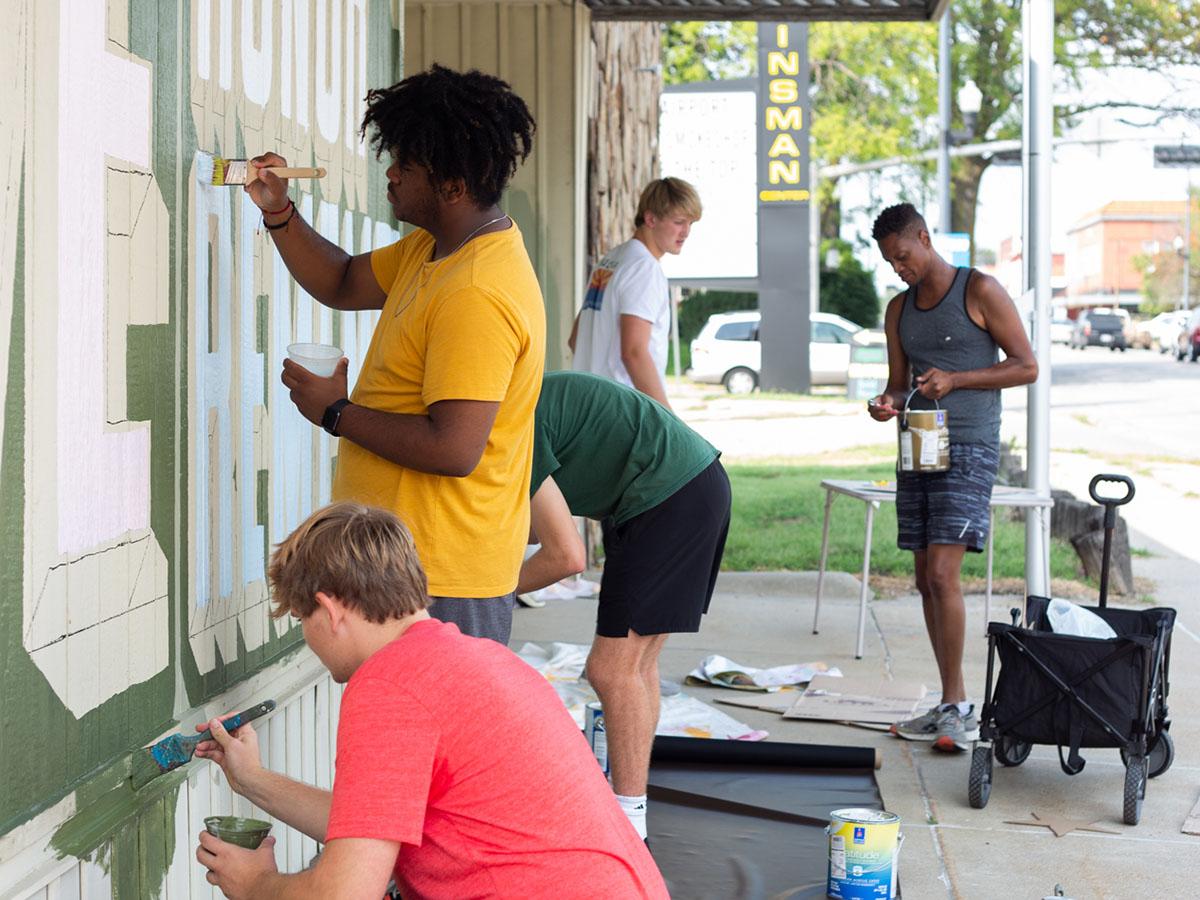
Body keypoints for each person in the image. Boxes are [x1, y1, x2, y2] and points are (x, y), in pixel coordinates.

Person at [193, 503, 668, 900]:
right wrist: (252, 780)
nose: (308, 637)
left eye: (303, 617)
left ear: (331, 609)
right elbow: (373, 824)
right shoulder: (474, 660)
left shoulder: (390, 686)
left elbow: (343, 893)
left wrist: (258, 884)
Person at [248, 65, 544, 645]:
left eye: (407, 163)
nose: (392, 172)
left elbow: (455, 448)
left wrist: (336, 413)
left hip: (443, 576)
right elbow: (340, 281)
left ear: (455, 185)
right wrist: (278, 210)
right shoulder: (436, 250)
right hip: (408, 567)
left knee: (436, 735)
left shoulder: (476, 291)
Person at [516, 370, 731, 840]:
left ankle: (628, 823)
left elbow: (565, 555)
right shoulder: (519, 404)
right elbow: (530, 523)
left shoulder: (508, 426)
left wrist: (491, 588)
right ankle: (633, 812)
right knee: (636, 666)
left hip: (668, 497)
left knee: (611, 670)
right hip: (688, 487)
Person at [867, 203, 1038, 749]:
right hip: (917, 444)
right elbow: (899, 383)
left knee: (943, 575)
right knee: (922, 579)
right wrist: (886, 402)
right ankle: (948, 704)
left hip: (969, 445)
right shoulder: (899, 310)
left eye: (904, 256)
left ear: (924, 237)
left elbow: (1026, 365)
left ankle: (961, 705)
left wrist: (958, 380)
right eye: (891, 262)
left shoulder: (980, 290)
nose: (899, 268)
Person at [570, 178, 702, 409]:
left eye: (691, 223)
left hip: (586, 404)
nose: (686, 232)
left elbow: (575, 339)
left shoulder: (611, 260)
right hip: (620, 411)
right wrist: (667, 420)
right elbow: (633, 352)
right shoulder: (644, 268)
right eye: (679, 222)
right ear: (650, 219)